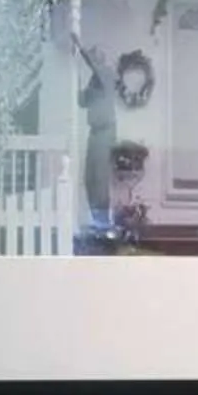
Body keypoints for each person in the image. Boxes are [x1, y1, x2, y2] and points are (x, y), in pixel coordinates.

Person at [73, 26, 115, 240]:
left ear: (102, 58)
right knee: (89, 178)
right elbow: (82, 101)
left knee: (100, 178)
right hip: (95, 134)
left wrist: (80, 48)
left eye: (96, 55)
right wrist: (75, 78)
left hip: (106, 133)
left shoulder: (106, 74)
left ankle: (104, 225)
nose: (94, 58)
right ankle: (97, 222)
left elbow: (94, 66)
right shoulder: (94, 82)